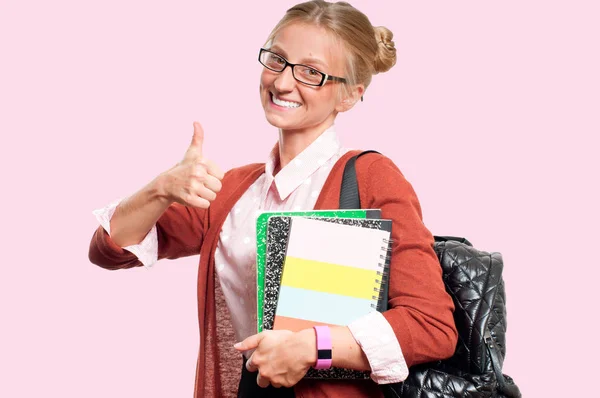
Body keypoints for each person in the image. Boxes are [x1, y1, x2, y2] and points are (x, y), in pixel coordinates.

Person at [88, 1, 458, 397]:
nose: (282, 83)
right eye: (278, 60)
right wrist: (160, 189)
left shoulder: (370, 177)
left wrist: (313, 346)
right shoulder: (233, 189)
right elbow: (110, 250)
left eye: (311, 72)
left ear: (349, 96)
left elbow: (430, 326)